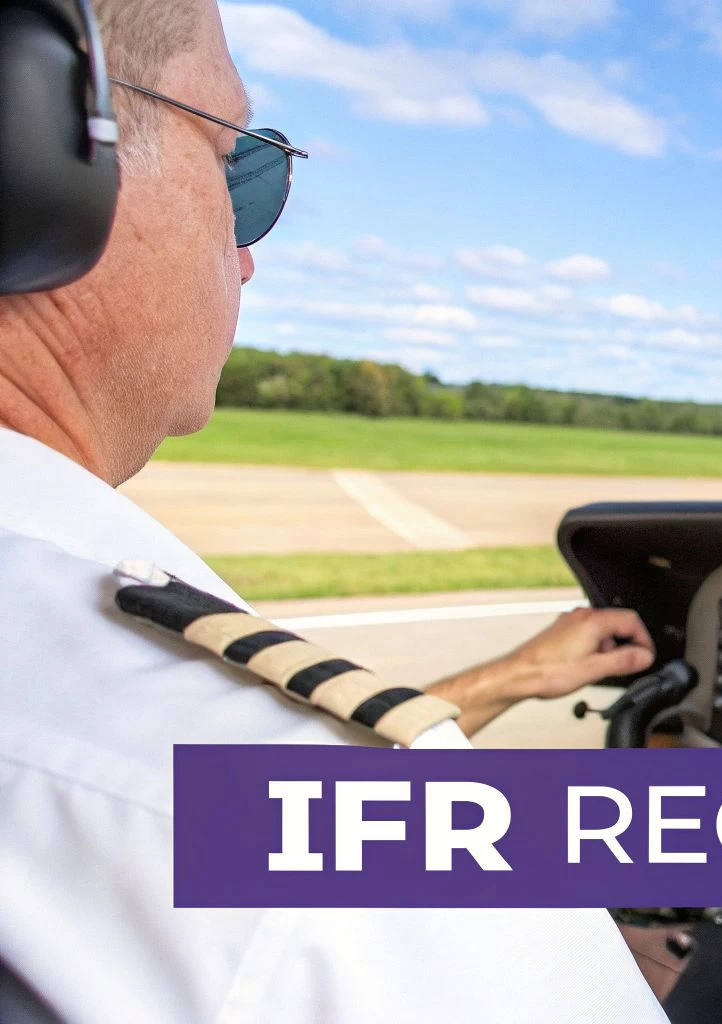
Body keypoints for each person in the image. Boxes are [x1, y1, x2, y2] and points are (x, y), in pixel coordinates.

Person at [0, 0, 670, 1019]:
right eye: (240, 167)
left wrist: (512, 678)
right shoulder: (332, 890)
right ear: (32, 154)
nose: (250, 249)